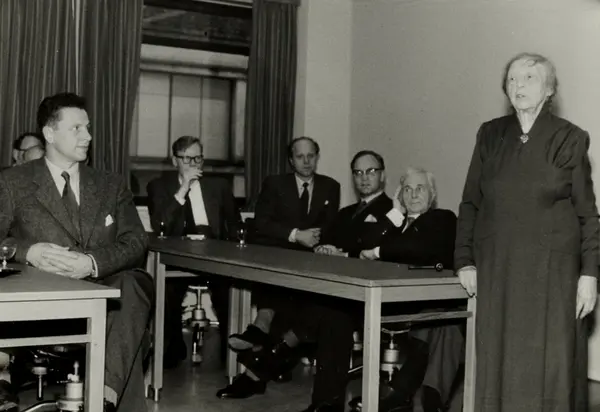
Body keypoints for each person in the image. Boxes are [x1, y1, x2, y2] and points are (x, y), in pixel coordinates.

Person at [455, 52, 598, 412]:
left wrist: (590, 274)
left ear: (549, 89)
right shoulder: (490, 135)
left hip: (552, 275)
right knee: (499, 363)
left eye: (529, 78)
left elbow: (588, 214)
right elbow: (470, 202)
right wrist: (464, 260)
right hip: (499, 270)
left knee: (551, 369)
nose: (518, 85)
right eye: (512, 79)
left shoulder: (570, 138)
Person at [0, 92, 153, 412]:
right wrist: (27, 251)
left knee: (133, 284)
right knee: (127, 333)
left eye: (88, 127)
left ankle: (104, 398)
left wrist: (92, 263)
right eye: (77, 128)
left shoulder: (111, 184)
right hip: (41, 307)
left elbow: (136, 242)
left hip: (104, 301)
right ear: (49, 133)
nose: (88, 136)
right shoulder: (13, 182)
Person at [217, 137, 340, 400]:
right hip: (280, 259)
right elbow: (261, 223)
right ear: (291, 160)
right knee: (281, 287)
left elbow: (330, 228)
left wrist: (322, 243)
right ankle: (259, 347)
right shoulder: (275, 184)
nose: (306, 161)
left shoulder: (331, 187)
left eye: (311, 156)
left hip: (312, 264)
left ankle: (258, 338)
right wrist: (296, 235)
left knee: (293, 305)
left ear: (317, 157)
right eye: (300, 156)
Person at [355, 167, 461, 412]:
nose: (413, 195)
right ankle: (419, 398)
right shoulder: (394, 222)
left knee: (443, 324)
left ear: (432, 194)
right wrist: (395, 213)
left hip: (424, 300)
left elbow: (420, 250)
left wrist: (378, 252)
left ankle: (408, 395)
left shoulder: (442, 219)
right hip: (386, 301)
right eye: (407, 189)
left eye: (420, 188)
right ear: (400, 195)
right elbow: (362, 244)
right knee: (445, 326)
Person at [147, 135, 239, 367]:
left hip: (214, 253)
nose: (193, 164)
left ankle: (230, 353)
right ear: (174, 161)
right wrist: (183, 190)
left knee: (229, 290)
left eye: (198, 158)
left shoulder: (219, 187)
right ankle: (173, 347)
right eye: (187, 159)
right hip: (178, 255)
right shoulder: (158, 187)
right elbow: (160, 226)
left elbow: (233, 224)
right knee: (167, 290)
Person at [315, 150, 401, 258]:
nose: (364, 178)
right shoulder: (344, 212)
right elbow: (324, 240)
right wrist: (323, 249)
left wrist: (343, 255)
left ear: (382, 176)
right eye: (358, 173)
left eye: (371, 171)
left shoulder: (394, 210)